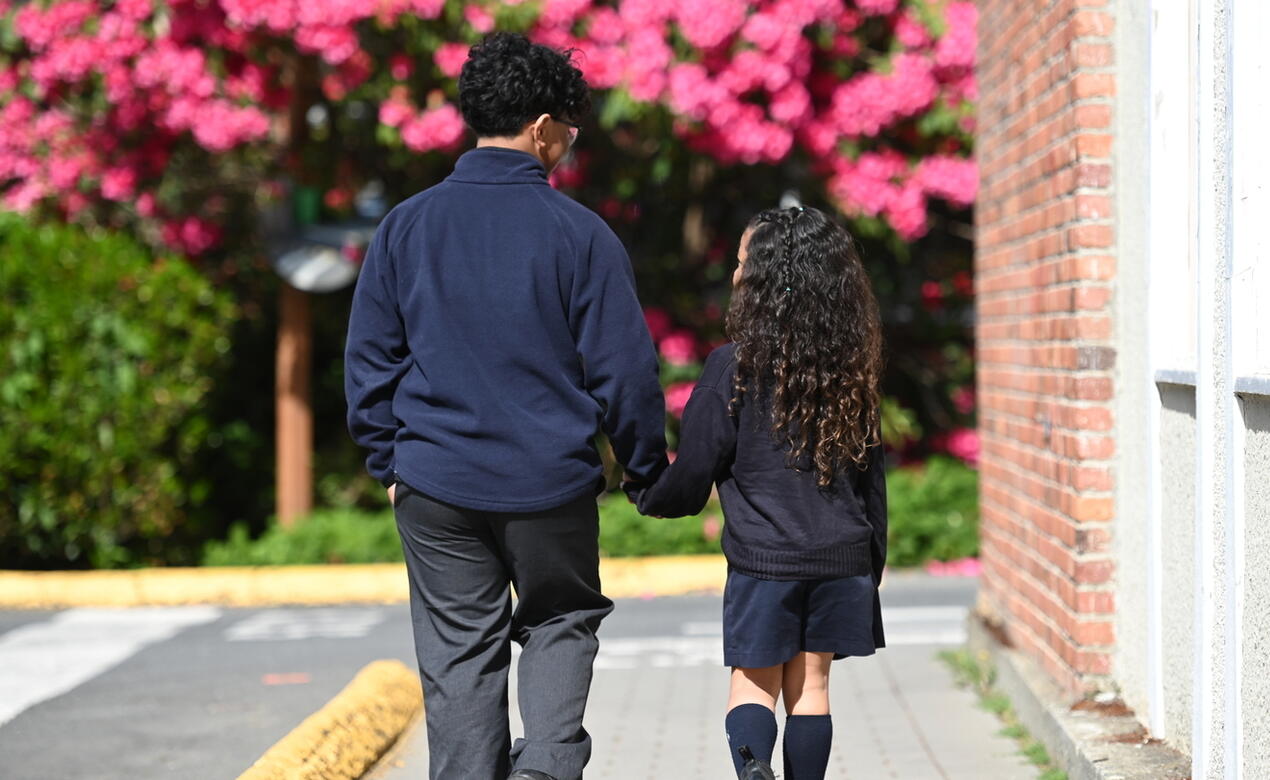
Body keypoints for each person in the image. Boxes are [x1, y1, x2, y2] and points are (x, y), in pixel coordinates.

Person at [344, 33, 667, 780]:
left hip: (435, 482)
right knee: (561, 620)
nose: (569, 144)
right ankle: (546, 768)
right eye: (570, 130)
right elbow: (625, 372)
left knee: (459, 657)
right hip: (547, 484)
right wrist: (646, 472)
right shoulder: (579, 235)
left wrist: (389, 464)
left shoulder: (405, 227)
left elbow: (369, 362)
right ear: (542, 127)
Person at [626, 206, 888, 780]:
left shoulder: (733, 367)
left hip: (764, 562)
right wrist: (871, 564)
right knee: (812, 687)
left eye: (745, 263)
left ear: (767, 279)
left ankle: (752, 769)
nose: (737, 274)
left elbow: (696, 467)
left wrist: (648, 492)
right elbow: (873, 483)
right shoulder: (850, 367)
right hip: (841, 558)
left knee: (752, 682)